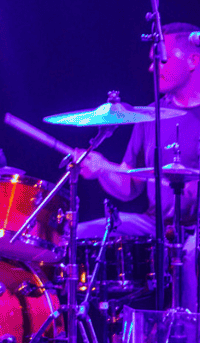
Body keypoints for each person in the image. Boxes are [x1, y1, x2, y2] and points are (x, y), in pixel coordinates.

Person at [78, 23, 200, 311]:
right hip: (154, 224)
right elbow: (129, 186)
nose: (151, 68)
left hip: (195, 229)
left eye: (160, 59)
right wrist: (102, 169)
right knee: (76, 236)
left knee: (191, 253)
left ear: (194, 60)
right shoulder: (150, 116)